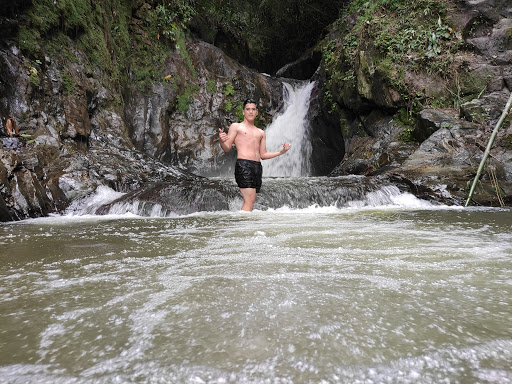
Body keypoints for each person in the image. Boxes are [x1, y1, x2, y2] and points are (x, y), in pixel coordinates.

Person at [219, 99, 291, 211]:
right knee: (249, 200)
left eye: (253, 109)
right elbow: (227, 148)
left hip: (257, 167)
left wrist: (281, 152)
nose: (251, 112)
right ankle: (243, 227)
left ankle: (244, 224)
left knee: (251, 201)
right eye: (248, 109)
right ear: (243, 112)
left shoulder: (260, 132)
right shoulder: (236, 127)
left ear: (257, 112)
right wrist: (222, 141)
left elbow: (263, 154)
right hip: (244, 165)